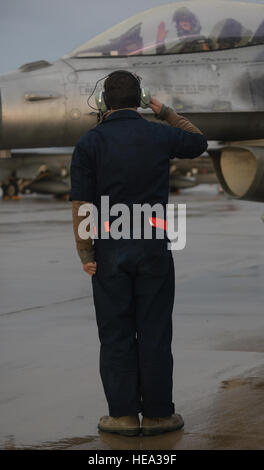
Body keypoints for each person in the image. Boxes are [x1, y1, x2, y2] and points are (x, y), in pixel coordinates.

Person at [70, 70, 208, 436]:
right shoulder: (159, 133)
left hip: (110, 248)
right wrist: (163, 110)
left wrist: (86, 253)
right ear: (140, 98)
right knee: (155, 331)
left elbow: (82, 204)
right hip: (155, 244)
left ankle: (124, 416)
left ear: (102, 103)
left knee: (115, 333)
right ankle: (161, 415)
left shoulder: (89, 142)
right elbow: (199, 141)